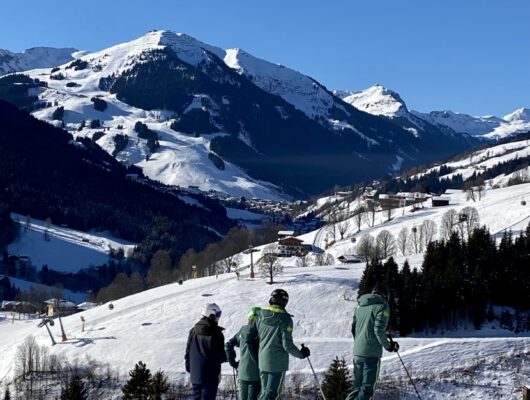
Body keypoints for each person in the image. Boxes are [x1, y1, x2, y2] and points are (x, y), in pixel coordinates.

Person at [251, 289, 310, 400]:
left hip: (263, 361)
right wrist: (301, 354)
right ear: (285, 302)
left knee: (264, 394)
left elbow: (255, 336)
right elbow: (287, 345)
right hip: (277, 363)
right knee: (271, 395)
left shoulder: (260, 316)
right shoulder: (285, 319)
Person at [346, 284, 399, 400]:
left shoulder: (359, 306)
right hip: (371, 354)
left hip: (357, 352)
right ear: (386, 296)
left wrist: (360, 343)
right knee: (367, 390)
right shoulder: (382, 306)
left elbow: (353, 329)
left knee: (356, 386)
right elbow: (378, 330)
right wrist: (389, 346)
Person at [185, 303, 227, 400]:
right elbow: (220, 355)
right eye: (218, 314)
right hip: (210, 376)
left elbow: (188, 351)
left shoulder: (193, 331)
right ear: (211, 315)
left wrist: (189, 368)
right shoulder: (217, 334)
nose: (219, 317)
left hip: (195, 375)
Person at [225, 306, 262, 400]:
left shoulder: (243, 330)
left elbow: (228, 345)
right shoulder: (263, 333)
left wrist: (232, 362)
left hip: (242, 373)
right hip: (256, 375)